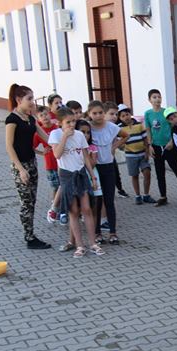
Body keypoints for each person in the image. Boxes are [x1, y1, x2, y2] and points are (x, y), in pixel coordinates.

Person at [48, 109, 103, 258]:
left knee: (87, 208)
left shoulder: (79, 135)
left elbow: (85, 156)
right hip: (67, 175)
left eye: (73, 121)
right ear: (60, 123)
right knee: (73, 210)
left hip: (81, 174)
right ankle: (79, 245)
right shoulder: (56, 134)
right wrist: (65, 136)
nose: (72, 124)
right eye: (68, 122)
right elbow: (57, 154)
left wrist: (93, 177)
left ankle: (93, 243)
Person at [4, 83, 51, 249]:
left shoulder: (30, 119)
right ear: (19, 100)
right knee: (26, 203)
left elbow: (46, 137)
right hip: (21, 167)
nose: (32, 102)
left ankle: (31, 235)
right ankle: (29, 238)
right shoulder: (12, 119)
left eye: (33, 98)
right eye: (29, 99)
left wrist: (63, 141)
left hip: (32, 163)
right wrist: (21, 169)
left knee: (32, 201)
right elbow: (9, 146)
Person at [89, 100, 128, 244]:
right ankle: (97, 233)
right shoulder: (88, 127)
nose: (98, 116)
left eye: (100, 113)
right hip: (95, 168)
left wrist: (114, 146)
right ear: (89, 114)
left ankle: (113, 233)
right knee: (97, 202)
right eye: (94, 113)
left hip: (109, 167)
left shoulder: (111, 127)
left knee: (109, 200)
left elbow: (125, 135)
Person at [145, 89, 177, 205]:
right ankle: (163, 196)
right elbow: (148, 130)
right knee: (160, 173)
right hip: (156, 146)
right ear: (149, 100)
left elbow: (173, 127)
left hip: (169, 146)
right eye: (154, 97)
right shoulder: (148, 114)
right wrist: (150, 145)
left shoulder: (166, 112)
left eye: (159, 97)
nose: (157, 99)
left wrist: (171, 141)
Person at [33, 105, 65, 225]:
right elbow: (31, 147)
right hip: (51, 164)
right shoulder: (38, 133)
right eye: (41, 116)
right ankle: (55, 207)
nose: (45, 117)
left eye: (46, 114)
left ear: (50, 114)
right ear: (38, 119)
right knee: (56, 187)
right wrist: (42, 152)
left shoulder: (57, 128)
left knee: (64, 186)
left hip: (62, 162)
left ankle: (63, 208)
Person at [118, 105, 153, 204]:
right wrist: (122, 146)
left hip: (142, 154)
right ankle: (138, 196)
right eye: (123, 116)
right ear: (120, 118)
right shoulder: (120, 128)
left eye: (127, 114)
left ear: (130, 114)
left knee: (147, 173)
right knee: (134, 175)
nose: (126, 117)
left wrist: (147, 152)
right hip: (130, 156)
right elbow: (119, 142)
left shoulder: (139, 125)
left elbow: (145, 139)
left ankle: (146, 195)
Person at [104, 102, 129, 198]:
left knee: (115, 174)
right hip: (99, 159)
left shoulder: (114, 127)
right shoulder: (99, 127)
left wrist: (114, 146)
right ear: (104, 113)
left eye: (116, 114)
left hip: (110, 157)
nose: (114, 117)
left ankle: (120, 190)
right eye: (111, 114)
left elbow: (125, 136)